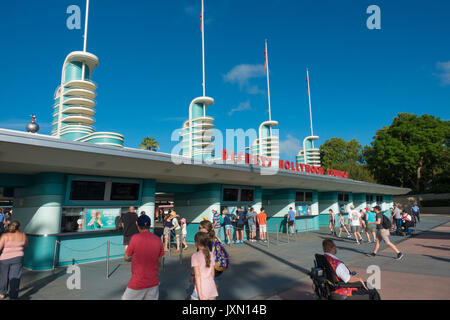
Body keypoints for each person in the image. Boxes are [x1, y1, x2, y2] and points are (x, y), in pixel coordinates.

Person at [122, 215, 164, 300]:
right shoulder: (158, 240)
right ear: (149, 225)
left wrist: (132, 257)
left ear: (137, 225)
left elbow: (126, 257)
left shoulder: (135, 238)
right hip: (153, 282)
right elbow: (159, 262)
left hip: (137, 282)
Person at [0, 221, 28, 299]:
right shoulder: (23, 235)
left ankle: (2, 293)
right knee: (15, 277)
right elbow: (26, 245)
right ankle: (13, 296)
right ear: (19, 227)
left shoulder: (5, 236)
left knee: (4, 277)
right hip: (18, 258)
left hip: (4, 259)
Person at [190, 232, 218, 300]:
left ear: (196, 243)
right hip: (211, 287)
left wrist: (200, 294)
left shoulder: (195, 256)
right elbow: (212, 274)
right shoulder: (211, 254)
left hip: (200, 289)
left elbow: (197, 276)